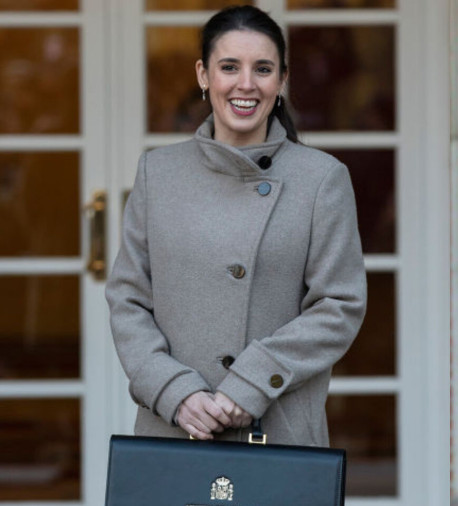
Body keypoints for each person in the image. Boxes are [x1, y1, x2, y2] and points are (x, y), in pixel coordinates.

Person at [105, 5, 367, 445]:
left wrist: (253, 382)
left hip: (278, 428)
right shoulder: (158, 172)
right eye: (229, 67)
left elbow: (339, 305)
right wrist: (173, 391)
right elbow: (128, 299)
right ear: (203, 75)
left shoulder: (321, 178)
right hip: (174, 430)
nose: (246, 84)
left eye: (262, 69)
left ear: (281, 80)